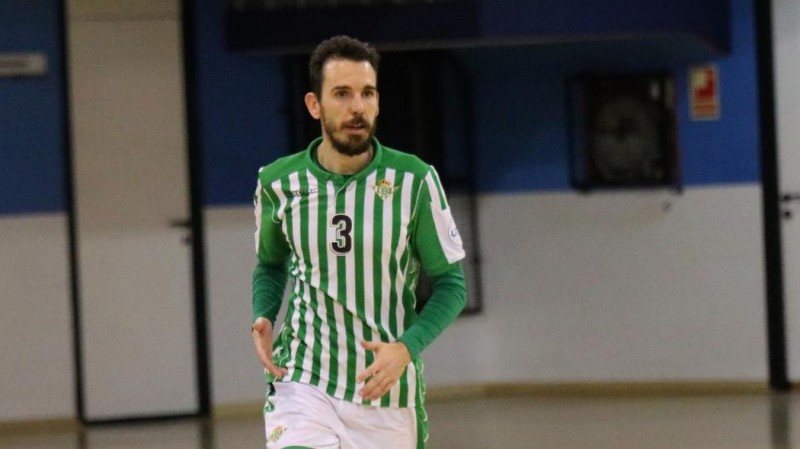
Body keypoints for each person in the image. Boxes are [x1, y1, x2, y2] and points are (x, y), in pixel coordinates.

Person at [250, 35, 467, 449]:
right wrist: (263, 312)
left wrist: (406, 348)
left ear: (379, 101)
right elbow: (271, 264)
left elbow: (452, 286)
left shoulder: (415, 181)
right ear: (315, 105)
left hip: (385, 392)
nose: (357, 107)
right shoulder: (277, 182)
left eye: (367, 93)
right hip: (303, 379)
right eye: (342, 94)